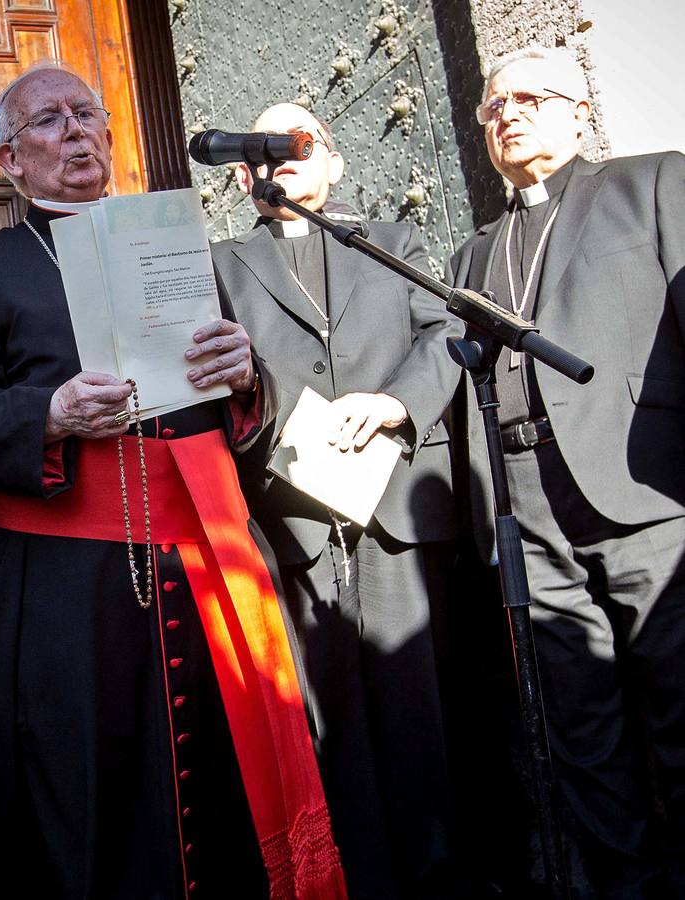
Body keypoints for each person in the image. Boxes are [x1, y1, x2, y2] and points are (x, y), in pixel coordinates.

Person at [0, 63, 345, 899]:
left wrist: (246, 375)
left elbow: (245, 404)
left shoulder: (178, 248)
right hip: (66, 588)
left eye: (88, 115)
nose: (76, 131)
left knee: (226, 774)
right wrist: (49, 413)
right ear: (11, 160)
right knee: (90, 790)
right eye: (49, 121)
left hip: (206, 557)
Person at [448, 45, 685, 897]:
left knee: (682, 711)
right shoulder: (475, 254)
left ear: (576, 111)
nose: (507, 113)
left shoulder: (652, 183)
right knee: (585, 737)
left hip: (648, 494)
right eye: (491, 106)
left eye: (529, 97)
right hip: (528, 513)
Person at [215, 102, 462, 897]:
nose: (282, 157)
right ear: (243, 173)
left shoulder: (394, 246)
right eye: (264, 148)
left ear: (336, 164)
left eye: (299, 142)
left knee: (422, 719)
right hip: (291, 527)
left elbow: (446, 337)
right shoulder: (220, 266)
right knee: (332, 731)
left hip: (394, 519)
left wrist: (395, 404)